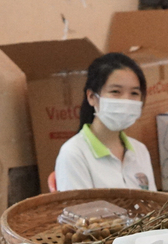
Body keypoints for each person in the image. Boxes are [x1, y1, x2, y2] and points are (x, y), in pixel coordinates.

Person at [54, 52, 156, 191]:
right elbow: (80, 211)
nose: (126, 101)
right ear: (91, 97)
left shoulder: (140, 151)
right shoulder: (74, 153)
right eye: (115, 91)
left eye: (134, 93)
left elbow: (154, 207)